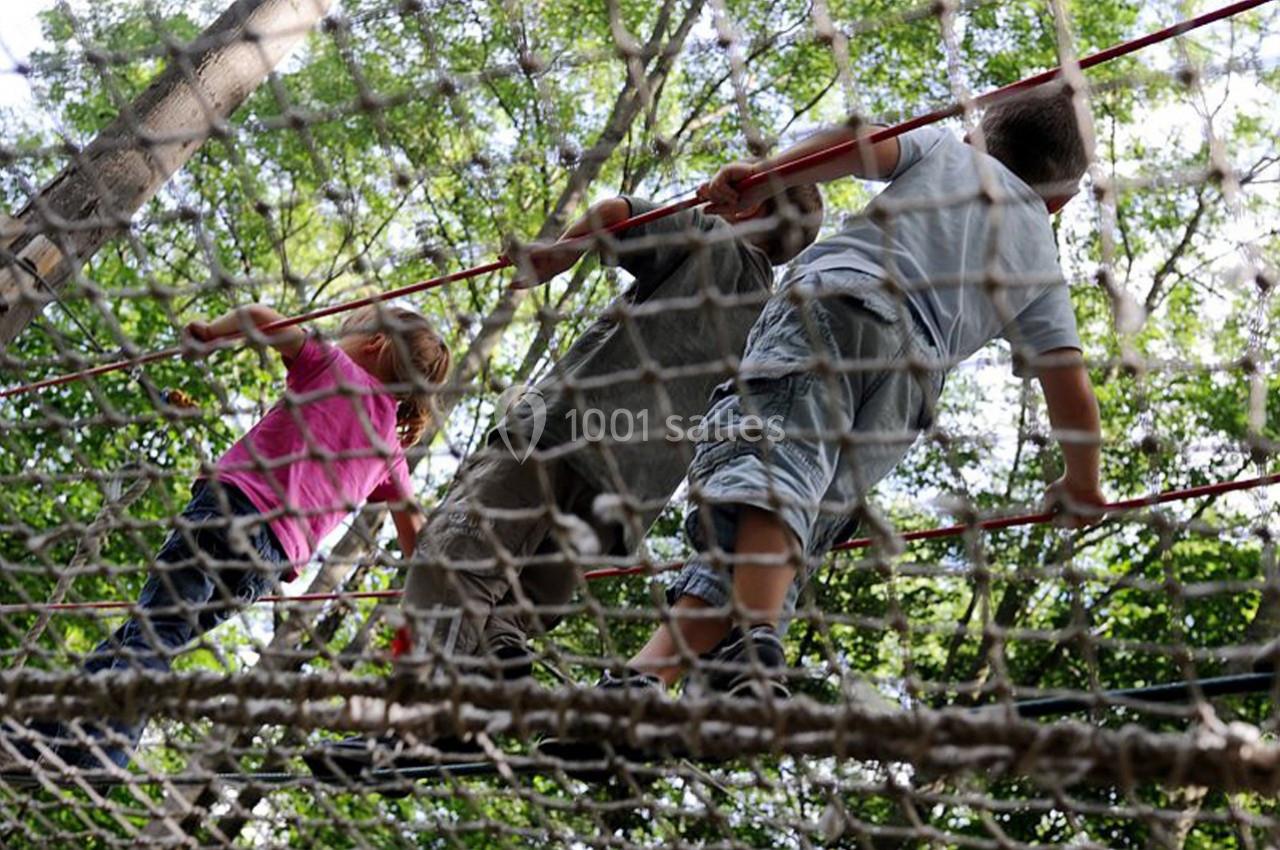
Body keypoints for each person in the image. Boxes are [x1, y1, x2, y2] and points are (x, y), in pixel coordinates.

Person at [608, 82, 1107, 707]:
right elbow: (1069, 382)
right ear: (1061, 202)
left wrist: (767, 176)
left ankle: (753, 642)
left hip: (840, 304)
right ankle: (647, 675)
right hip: (907, 392)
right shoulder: (1042, 255)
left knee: (771, 464)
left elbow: (860, 141)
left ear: (982, 135)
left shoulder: (952, 151)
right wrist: (1081, 481)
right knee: (795, 519)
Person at [306, 185, 823, 779]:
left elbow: (621, 216)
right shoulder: (771, 318)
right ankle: (488, 689)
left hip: (560, 433)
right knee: (513, 606)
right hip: (632, 489)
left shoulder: (711, 240)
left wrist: (559, 253)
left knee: (453, 564)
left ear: (749, 209)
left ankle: (416, 728)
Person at [1, 302, 449, 771]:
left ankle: (106, 746)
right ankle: (38, 735)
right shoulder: (390, 453)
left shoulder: (333, 366)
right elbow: (413, 531)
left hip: (228, 514)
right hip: (263, 567)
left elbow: (260, 316)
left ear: (374, 344)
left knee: (153, 634)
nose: (341, 339)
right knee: (148, 633)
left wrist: (210, 333)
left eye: (351, 331)